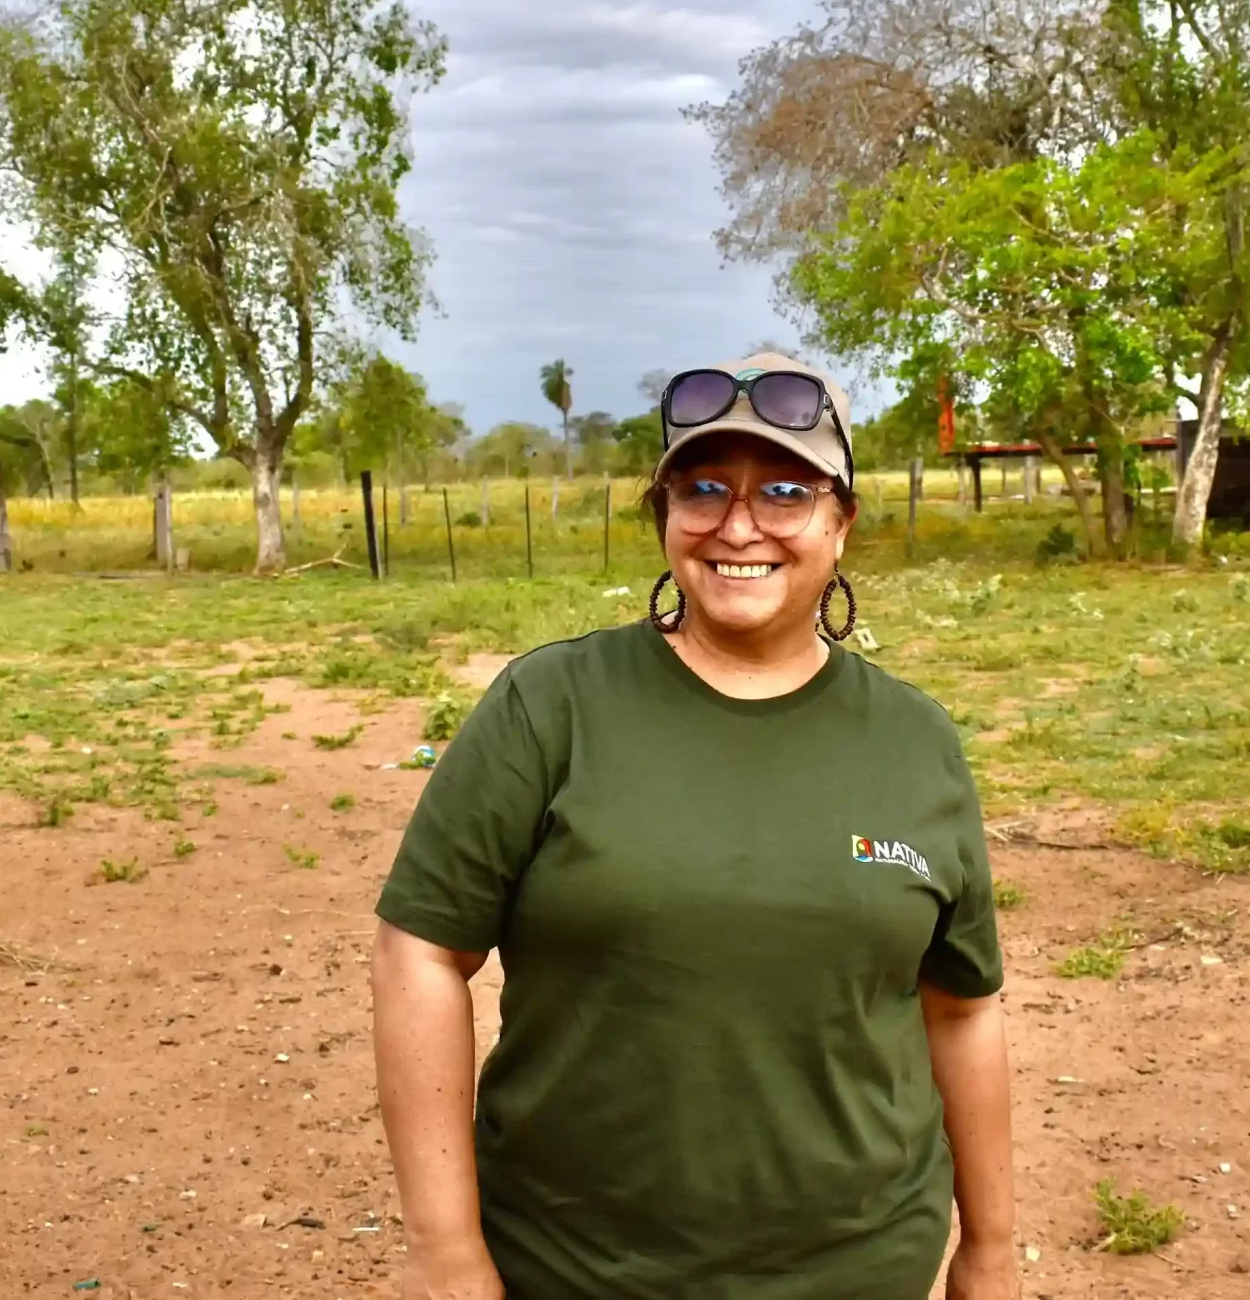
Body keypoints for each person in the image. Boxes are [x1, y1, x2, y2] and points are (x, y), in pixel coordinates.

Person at [373, 352, 1017, 1300]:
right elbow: (419, 954)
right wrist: (445, 1250)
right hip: (575, 1269)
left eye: (786, 492)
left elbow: (962, 1009)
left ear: (841, 523)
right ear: (666, 515)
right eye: (704, 487)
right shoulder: (550, 707)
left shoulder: (915, 740)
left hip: (863, 1267)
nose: (738, 525)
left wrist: (992, 1249)